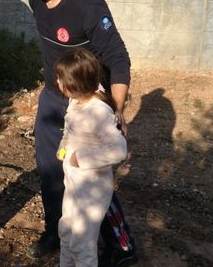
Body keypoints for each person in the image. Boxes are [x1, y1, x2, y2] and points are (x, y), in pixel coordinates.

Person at [22, 0, 135, 264]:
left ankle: (121, 243)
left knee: (91, 171)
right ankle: (56, 232)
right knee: (50, 168)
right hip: (53, 98)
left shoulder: (89, 7)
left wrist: (116, 109)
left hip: (86, 101)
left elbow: (118, 59)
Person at [55, 48, 128, 267]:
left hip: (92, 190)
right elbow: (71, 129)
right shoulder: (76, 102)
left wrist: (81, 157)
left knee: (83, 244)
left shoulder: (98, 112)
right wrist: (64, 146)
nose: (56, 81)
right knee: (66, 231)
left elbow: (118, 149)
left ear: (69, 87)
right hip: (74, 184)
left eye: (59, 78)